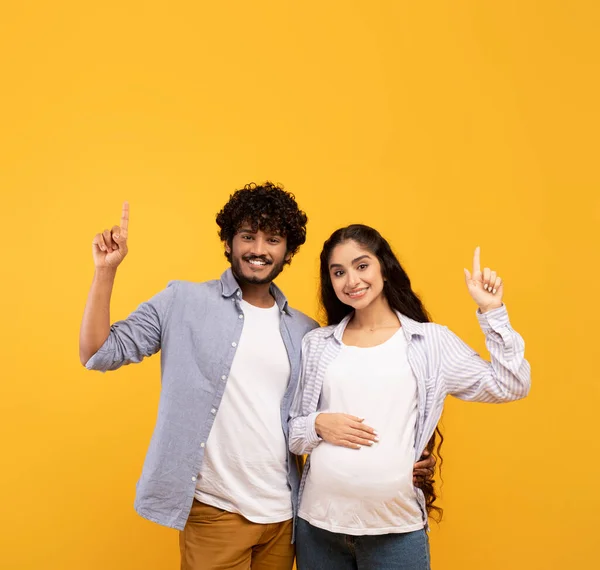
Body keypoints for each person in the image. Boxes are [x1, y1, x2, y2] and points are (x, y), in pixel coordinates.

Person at [79, 185, 436, 570]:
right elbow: (99, 353)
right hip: (216, 510)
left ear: (288, 250)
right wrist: (105, 272)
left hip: (286, 517)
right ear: (229, 242)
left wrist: (402, 458)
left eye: (273, 239)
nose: (258, 249)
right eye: (248, 236)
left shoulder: (306, 331)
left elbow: (329, 416)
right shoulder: (182, 302)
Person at [289, 224, 531, 570]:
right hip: (319, 526)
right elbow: (294, 435)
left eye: (361, 266)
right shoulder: (318, 344)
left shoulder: (429, 343)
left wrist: (493, 311)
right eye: (338, 272)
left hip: (396, 528)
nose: (351, 281)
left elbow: (512, 385)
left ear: (383, 268)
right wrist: (318, 423)